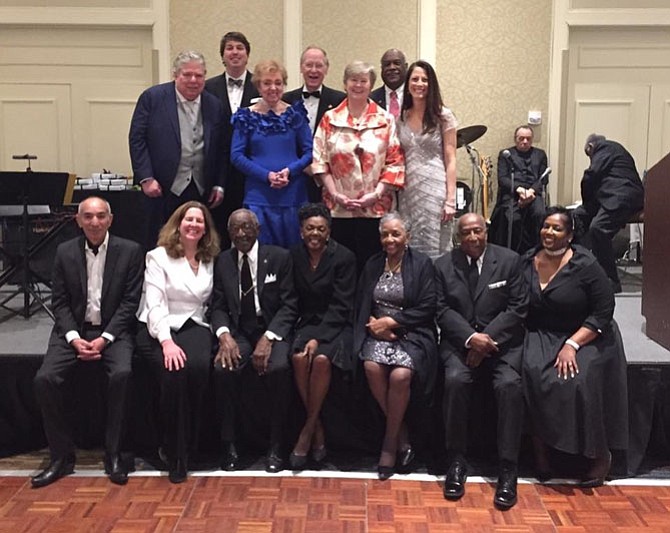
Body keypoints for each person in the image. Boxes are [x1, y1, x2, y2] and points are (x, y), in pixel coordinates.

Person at [32, 197, 144, 488]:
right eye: (88, 216)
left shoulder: (130, 251)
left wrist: (106, 339)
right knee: (45, 379)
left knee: (122, 374)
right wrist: (73, 338)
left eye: (100, 216)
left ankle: (115, 453)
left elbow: (130, 302)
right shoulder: (64, 252)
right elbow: (59, 303)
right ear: (78, 220)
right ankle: (61, 456)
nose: (95, 222)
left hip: (113, 332)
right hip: (72, 332)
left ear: (111, 219)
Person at [522, 206, 628, 487]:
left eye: (557, 228)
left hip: (585, 333)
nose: (549, 232)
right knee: (531, 372)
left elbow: (604, 309)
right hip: (542, 333)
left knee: (578, 379)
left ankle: (598, 455)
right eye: (546, 226)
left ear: (569, 236)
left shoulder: (585, 264)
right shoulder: (527, 261)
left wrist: (572, 344)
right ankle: (542, 453)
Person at [434, 213, 528, 509]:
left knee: (509, 386)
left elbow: (518, 308)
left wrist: (485, 340)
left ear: (486, 231)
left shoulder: (511, 260)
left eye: (478, 231)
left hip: (502, 346)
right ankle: (456, 461)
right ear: (457, 237)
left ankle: (508, 467)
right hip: (459, 344)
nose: (472, 238)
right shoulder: (443, 265)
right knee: (455, 381)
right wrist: (470, 339)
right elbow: (440, 309)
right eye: (466, 233)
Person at [135, 201, 220, 483]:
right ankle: (174, 452)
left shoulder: (210, 257)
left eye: (200, 221)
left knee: (197, 369)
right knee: (174, 373)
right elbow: (155, 304)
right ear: (177, 224)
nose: (194, 225)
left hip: (195, 323)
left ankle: (193, 444)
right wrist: (167, 342)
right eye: (189, 220)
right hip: (159, 325)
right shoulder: (157, 257)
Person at [211, 209, 298, 473]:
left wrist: (269, 338)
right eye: (235, 229)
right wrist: (224, 335)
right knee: (223, 369)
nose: (241, 233)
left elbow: (289, 306)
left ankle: (276, 445)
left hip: (270, 328)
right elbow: (218, 305)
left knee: (280, 368)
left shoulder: (280, 257)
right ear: (228, 234)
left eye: (247, 227)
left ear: (258, 229)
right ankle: (229, 444)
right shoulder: (222, 261)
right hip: (238, 331)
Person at [354, 213, 437, 480]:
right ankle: (401, 434)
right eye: (385, 234)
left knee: (401, 375)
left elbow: (427, 306)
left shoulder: (422, 264)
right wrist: (374, 324)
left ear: (407, 237)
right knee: (371, 366)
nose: (389, 239)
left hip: (412, 333)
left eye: (395, 234)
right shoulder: (373, 263)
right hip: (377, 332)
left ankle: (390, 444)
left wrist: (393, 322)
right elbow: (362, 301)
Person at [313, 60, 405, 273]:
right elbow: (319, 160)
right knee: (340, 268)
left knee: (372, 266)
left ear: (371, 85)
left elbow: (395, 162)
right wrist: (335, 194)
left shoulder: (385, 119)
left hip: (375, 208)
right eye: (353, 80)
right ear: (345, 84)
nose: (358, 85)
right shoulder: (330, 119)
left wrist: (376, 194)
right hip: (337, 208)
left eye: (363, 81)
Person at [129, 50, 226, 250]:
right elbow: (137, 139)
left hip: (200, 189)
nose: (193, 80)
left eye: (199, 75)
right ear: (175, 75)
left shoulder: (214, 105)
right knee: (159, 244)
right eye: (187, 75)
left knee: (197, 245)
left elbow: (222, 148)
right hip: (161, 188)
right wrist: (146, 178)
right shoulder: (153, 98)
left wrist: (219, 185)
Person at [288, 203, 356, 470]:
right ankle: (316, 429)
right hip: (306, 321)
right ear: (301, 231)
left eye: (320, 229)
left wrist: (318, 338)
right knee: (297, 359)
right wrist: (308, 334)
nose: (314, 233)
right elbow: (292, 300)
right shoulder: (293, 255)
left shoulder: (344, 257)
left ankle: (307, 433)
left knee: (321, 361)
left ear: (328, 232)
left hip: (337, 324)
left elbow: (342, 305)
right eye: (309, 228)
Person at [230, 59, 313, 248]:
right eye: (267, 83)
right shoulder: (245, 116)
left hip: (293, 195)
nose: (273, 88)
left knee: (294, 253)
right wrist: (266, 176)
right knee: (260, 253)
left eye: (278, 83)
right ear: (258, 86)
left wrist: (289, 172)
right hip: (259, 196)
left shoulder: (295, 114)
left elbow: (309, 152)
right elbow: (236, 156)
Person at [397, 60, 458, 260]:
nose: (419, 84)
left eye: (425, 80)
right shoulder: (402, 116)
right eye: (415, 79)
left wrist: (450, 200)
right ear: (407, 84)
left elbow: (451, 158)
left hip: (435, 189)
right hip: (408, 191)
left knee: (436, 244)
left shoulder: (444, 115)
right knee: (410, 242)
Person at [205, 31, 260, 245]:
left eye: (240, 48)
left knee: (250, 225)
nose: (235, 52)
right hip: (217, 168)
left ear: (247, 54)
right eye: (229, 48)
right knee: (218, 226)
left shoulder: (261, 85)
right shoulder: (208, 88)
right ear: (222, 55)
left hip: (251, 167)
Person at [572, 134, 645, 293]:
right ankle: (579, 267)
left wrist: (587, 202)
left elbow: (591, 175)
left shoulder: (605, 148)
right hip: (611, 197)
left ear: (590, 147)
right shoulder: (613, 151)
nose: (591, 159)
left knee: (598, 229)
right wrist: (587, 207)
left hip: (623, 196)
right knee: (577, 216)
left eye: (588, 155)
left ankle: (610, 280)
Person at [283, 46, 347, 203]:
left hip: (330, 180)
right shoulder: (286, 100)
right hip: (294, 175)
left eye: (319, 65)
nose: (314, 70)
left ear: (327, 69)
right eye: (309, 65)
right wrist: (301, 166)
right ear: (300, 67)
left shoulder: (340, 101)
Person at [488, 126, 548, 254]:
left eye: (528, 139)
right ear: (515, 139)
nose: (525, 141)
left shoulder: (540, 154)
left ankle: (536, 252)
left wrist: (530, 192)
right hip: (512, 194)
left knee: (539, 215)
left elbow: (543, 178)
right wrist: (520, 190)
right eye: (521, 138)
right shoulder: (506, 154)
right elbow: (503, 179)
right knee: (513, 219)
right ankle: (514, 254)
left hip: (533, 193)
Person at [370, 49, 408, 119]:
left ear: (406, 67)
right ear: (382, 68)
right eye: (387, 64)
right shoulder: (371, 100)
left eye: (397, 63)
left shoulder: (415, 97)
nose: (392, 67)